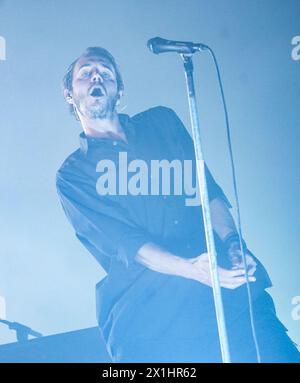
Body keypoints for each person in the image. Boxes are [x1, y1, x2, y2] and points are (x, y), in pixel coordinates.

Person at [56, 46, 300, 363]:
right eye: (85, 72)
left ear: (120, 89)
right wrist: (192, 269)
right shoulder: (74, 174)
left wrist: (232, 243)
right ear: (69, 94)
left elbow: (206, 191)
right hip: (152, 317)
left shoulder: (162, 123)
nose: (96, 76)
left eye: (105, 70)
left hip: (228, 293)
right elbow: (127, 244)